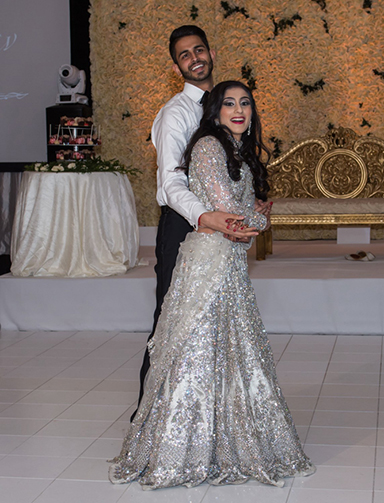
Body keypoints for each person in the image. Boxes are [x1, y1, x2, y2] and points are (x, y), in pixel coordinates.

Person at [109, 81, 315, 489]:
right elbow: (236, 220)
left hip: (230, 266)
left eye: (245, 103)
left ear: (253, 112)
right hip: (210, 267)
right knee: (197, 356)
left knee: (233, 354)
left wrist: (253, 217)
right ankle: (178, 451)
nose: (238, 110)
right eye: (228, 103)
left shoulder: (237, 151)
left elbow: (243, 219)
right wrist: (257, 218)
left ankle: (221, 443)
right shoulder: (207, 147)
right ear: (215, 111)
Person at [131, 26, 262, 421]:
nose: (194, 58)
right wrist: (205, 216)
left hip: (221, 227)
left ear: (211, 52)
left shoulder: (225, 104)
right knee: (172, 321)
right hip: (184, 224)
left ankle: (208, 419)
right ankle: (150, 418)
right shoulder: (176, 113)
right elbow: (171, 182)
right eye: (185, 55)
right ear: (177, 66)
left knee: (213, 326)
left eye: (199, 50)